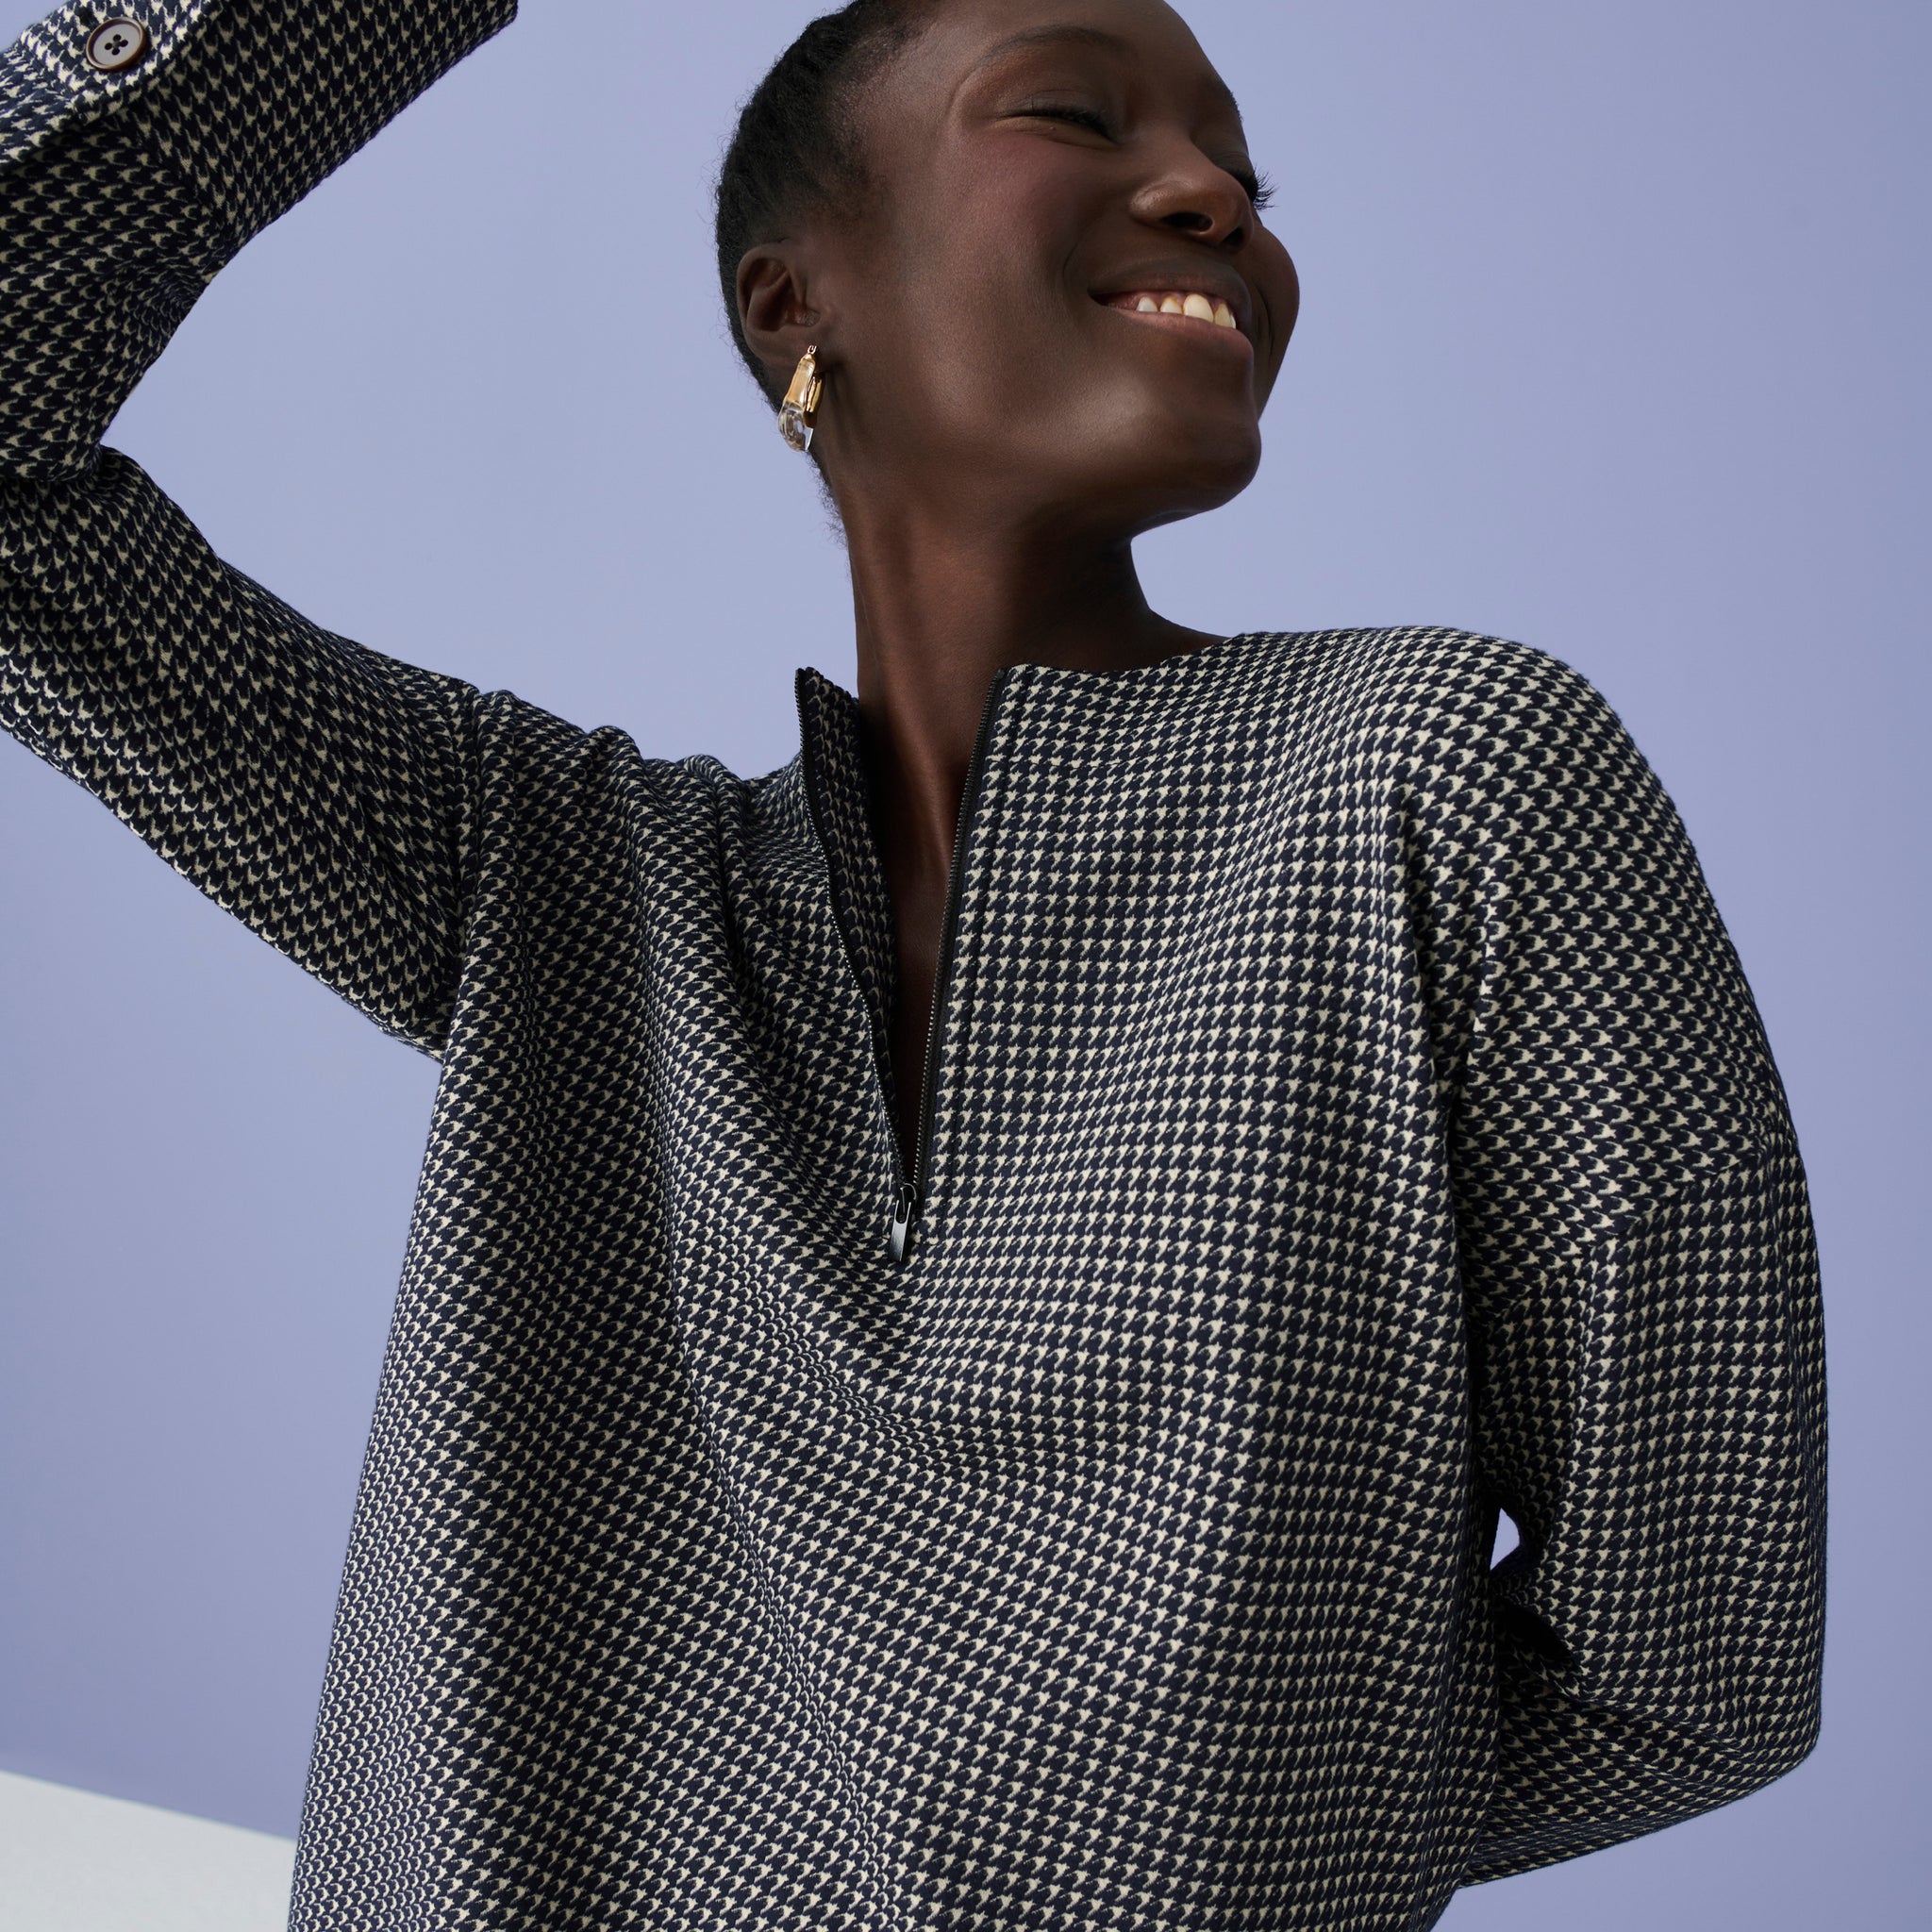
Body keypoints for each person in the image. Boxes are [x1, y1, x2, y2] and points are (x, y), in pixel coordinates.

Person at [0, 0, 1826, 1927]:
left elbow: (1691, 1662)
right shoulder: (569, 886)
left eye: (1244, 169)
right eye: (1073, 115)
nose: (1213, 195)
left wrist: (1189, 1850)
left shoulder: (1440, 774)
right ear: (794, 307)